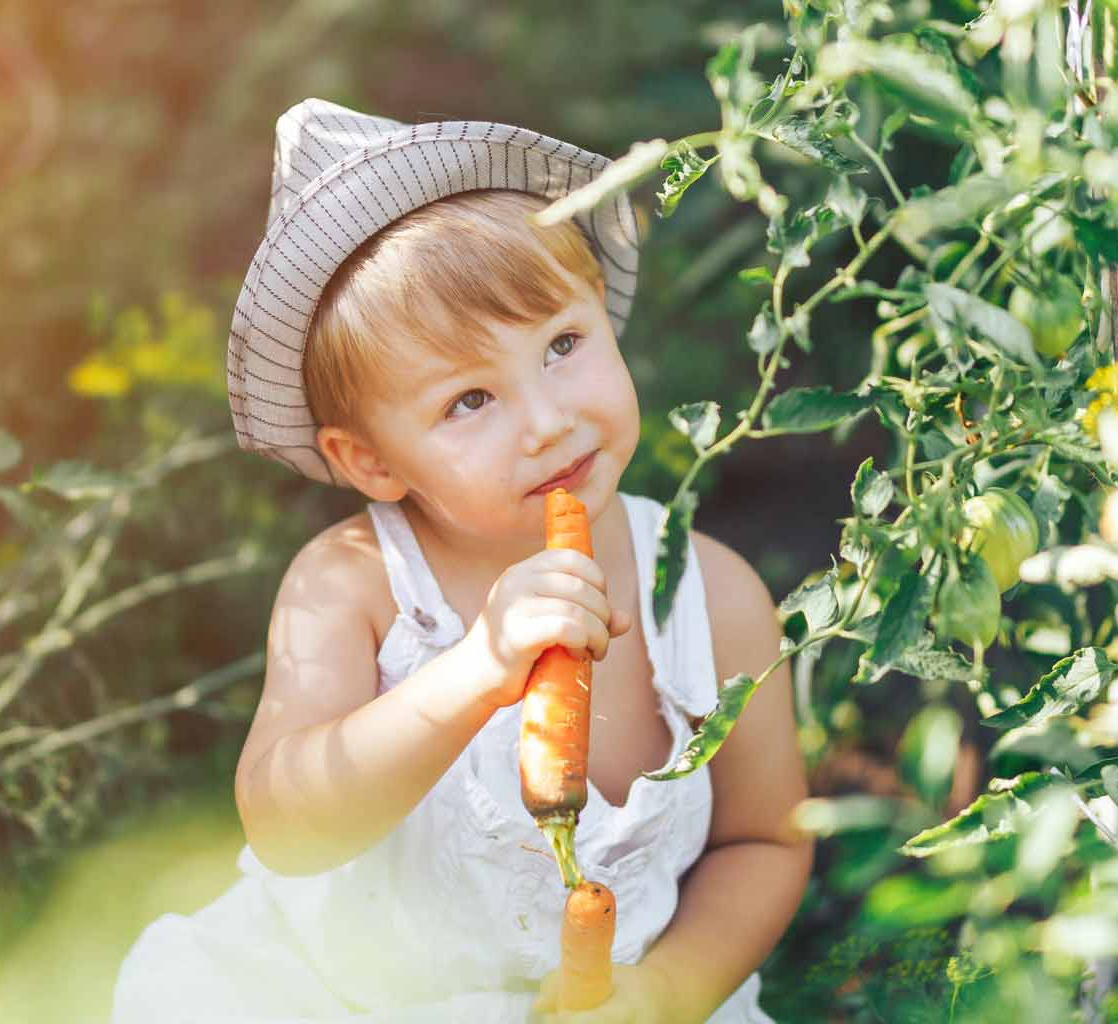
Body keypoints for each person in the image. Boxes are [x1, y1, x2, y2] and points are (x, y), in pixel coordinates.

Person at [112, 97, 811, 1024]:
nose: (547, 419)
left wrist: (666, 994)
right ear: (371, 461)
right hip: (346, 1002)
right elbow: (286, 823)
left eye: (562, 345)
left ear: (603, 314)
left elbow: (764, 844)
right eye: (470, 401)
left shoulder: (711, 597)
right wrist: (476, 670)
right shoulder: (353, 584)